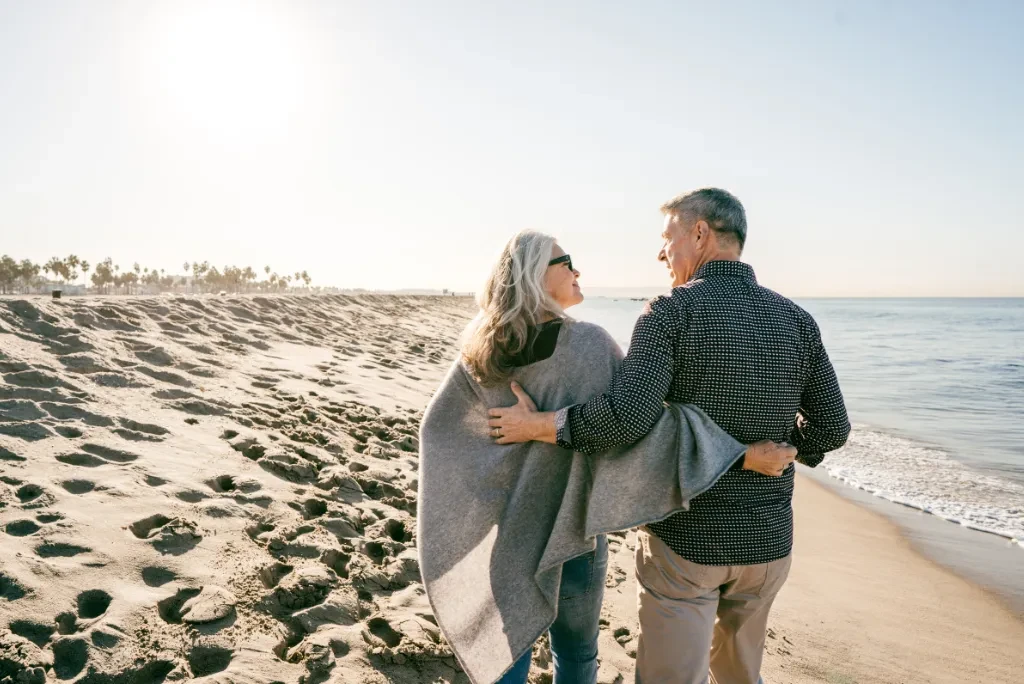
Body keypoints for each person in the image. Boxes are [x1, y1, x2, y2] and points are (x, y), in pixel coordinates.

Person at [489, 189, 851, 684]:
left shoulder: (670, 312)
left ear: (699, 233)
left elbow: (625, 419)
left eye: (668, 238)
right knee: (741, 676)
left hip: (688, 542)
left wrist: (540, 425)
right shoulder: (797, 320)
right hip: (768, 542)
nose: (662, 253)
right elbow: (833, 427)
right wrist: (788, 451)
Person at [419, 229, 796, 684]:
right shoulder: (589, 345)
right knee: (576, 653)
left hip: (510, 528)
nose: (577, 270)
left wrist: (494, 481)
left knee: (507, 647)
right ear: (534, 275)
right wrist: (741, 456)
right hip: (574, 526)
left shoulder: (480, 350)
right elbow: (645, 428)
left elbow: (439, 433)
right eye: (566, 262)